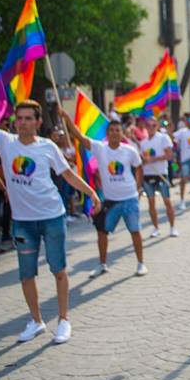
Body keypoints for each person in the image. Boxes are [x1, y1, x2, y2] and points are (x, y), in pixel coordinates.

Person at [0, 61, 101, 344]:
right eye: (20, 117)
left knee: (59, 270)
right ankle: (36, 321)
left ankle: (63, 320)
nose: (23, 122)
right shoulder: (5, 141)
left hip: (52, 217)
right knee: (26, 275)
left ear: (38, 122)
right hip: (22, 222)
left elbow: (68, 174)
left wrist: (91, 193)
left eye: (29, 118)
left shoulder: (47, 146)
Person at [62, 114, 146, 278]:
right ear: (107, 134)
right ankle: (102, 264)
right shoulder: (100, 148)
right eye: (111, 130)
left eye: (117, 130)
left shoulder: (130, 150)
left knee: (135, 231)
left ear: (122, 133)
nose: (114, 133)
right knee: (102, 232)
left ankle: (140, 263)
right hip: (110, 201)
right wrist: (66, 118)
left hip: (129, 199)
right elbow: (79, 136)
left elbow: (139, 168)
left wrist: (137, 187)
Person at [138, 117, 178, 238]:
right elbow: (142, 161)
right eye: (149, 125)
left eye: (153, 125)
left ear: (157, 126)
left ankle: (172, 228)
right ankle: (155, 228)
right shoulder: (143, 143)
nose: (151, 128)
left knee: (167, 201)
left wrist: (152, 159)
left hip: (161, 174)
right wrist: (144, 160)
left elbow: (169, 155)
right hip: (147, 175)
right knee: (151, 203)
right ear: (145, 127)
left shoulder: (163, 138)